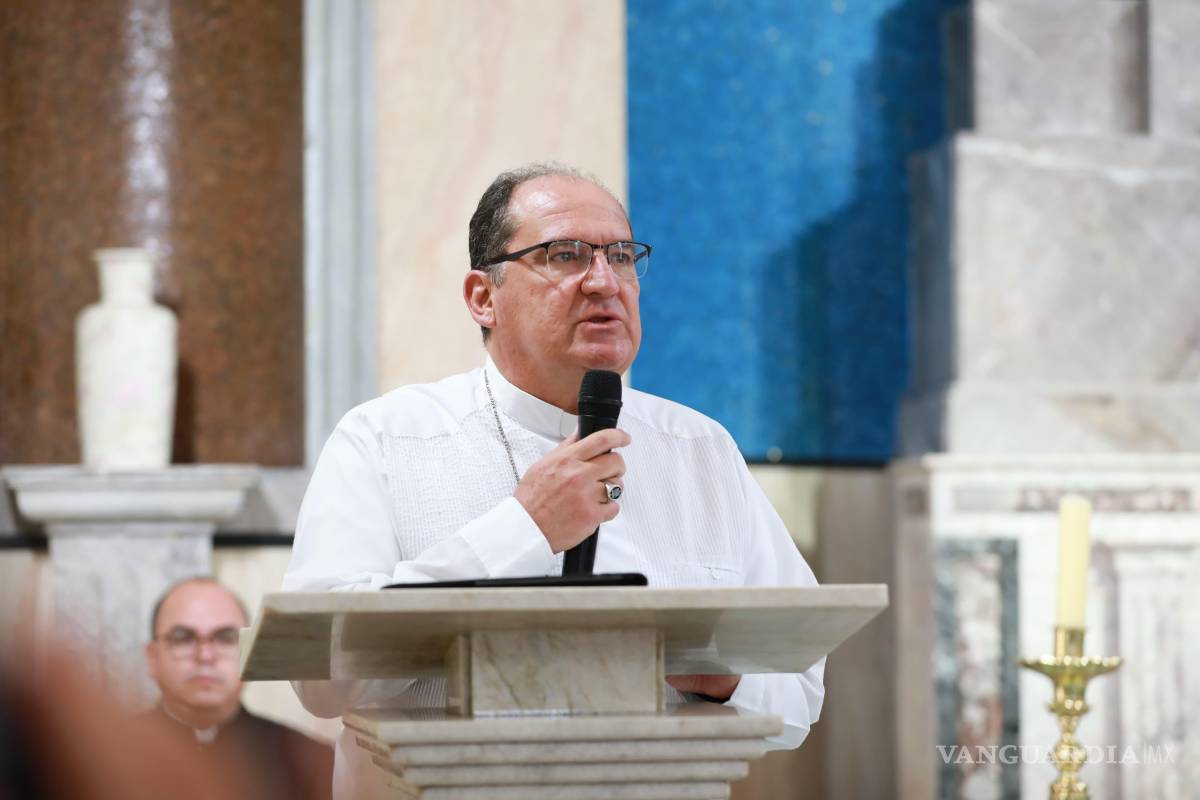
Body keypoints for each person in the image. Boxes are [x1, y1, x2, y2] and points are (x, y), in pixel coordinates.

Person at [284, 163, 825, 796]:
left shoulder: (700, 448)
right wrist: (523, 528)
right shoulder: (384, 439)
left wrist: (720, 677)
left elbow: (802, 689)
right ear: (483, 297)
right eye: (565, 255)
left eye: (621, 257)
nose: (604, 282)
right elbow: (321, 680)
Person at [142, 577, 333, 800]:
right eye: (183, 638)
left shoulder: (308, 761)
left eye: (225, 638)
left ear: (249, 653)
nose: (205, 656)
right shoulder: (102, 758)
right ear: (152, 658)